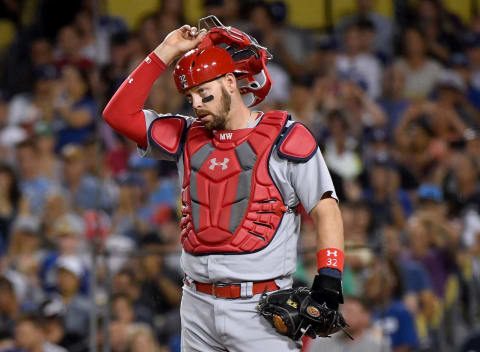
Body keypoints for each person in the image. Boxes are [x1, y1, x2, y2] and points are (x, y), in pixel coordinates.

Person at [103, 21, 345, 351]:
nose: (197, 103)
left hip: (262, 306)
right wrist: (167, 50)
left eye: (204, 92)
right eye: (190, 96)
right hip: (196, 303)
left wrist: (329, 281)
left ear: (231, 82)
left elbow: (325, 208)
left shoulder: (285, 135)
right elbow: (118, 114)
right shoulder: (186, 136)